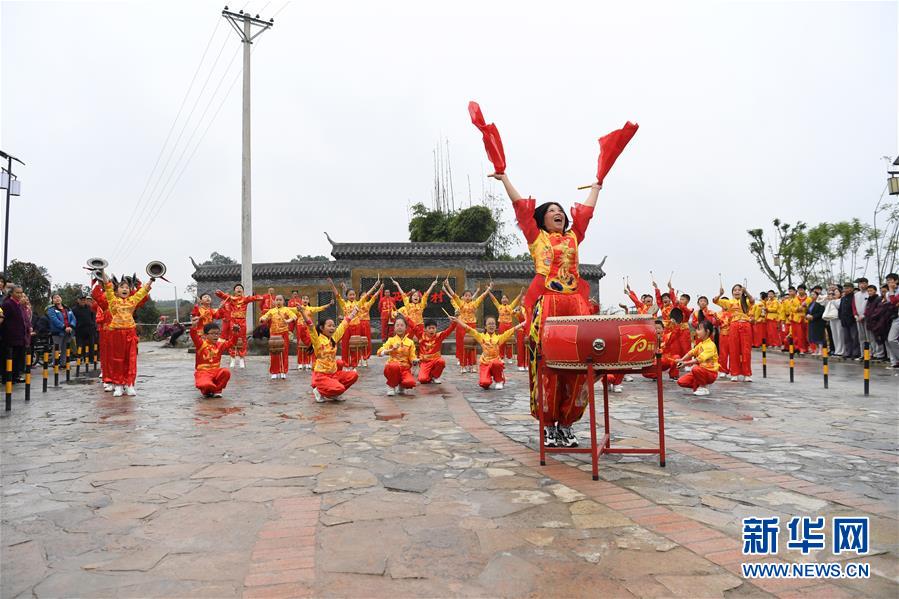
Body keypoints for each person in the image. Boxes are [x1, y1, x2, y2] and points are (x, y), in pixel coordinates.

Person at [491, 170, 600, 450]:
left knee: (579, 366)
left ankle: (567, 423)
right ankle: (549, 424)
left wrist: (596, 187)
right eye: (551, 211)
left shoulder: (574, 237)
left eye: (560, 210)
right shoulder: (537, 238)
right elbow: (520, 208)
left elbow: (586, 214)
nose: (558, 213)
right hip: (549, 306)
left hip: (575, 307)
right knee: (547, 365)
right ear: (543, 219)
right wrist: (504, 179)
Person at [103, 274, 154, 396]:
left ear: (130, 290)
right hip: (117, 333)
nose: (125, 289)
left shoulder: (132, 300)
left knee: (131, 359)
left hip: (130, 332)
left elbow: (142, 292)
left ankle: (130, 384)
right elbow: (108, 287)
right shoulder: (113, 300)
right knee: (117, 359)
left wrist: (151, 280)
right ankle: (118, 385)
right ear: (117, 290)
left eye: (127, 287)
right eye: (122, 287)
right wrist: (102, 270)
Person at [452, 315, 524, 391]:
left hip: (495, 363)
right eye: (489, 324)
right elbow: (469, 329)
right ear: (485, 327)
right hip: (485, 363)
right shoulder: (481, 337)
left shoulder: (499, 338)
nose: (491, 326)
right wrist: (458, 321)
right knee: (484, 383)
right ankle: (488, 378)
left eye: (493, 324)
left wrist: (523, 323)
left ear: (495, 326)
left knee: (497, 363)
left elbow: (511, 331)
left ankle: (499, 380)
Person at [303, 308, 358, 402]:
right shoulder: (318, 341)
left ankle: (334, 394)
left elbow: (343, 325)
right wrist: (302, 312)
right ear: (322, 328)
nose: (332, 328)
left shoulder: (333, 338)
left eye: (333, 326)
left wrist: (353, 313)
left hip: (333, 374)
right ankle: (319, 390)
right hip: (321, 375)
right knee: (340, 388)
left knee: (353, 375)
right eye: (329, 326)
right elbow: (311, 327)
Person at [444, 280, 492, 372]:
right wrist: (448, 286)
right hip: (462, 325)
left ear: (471, 297)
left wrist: (489, 289)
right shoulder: (461, 303)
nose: (468, 297)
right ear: (463, 297)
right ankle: (463, 365)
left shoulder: (474, 304)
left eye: (469, 295)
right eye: (466, 295)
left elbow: (482, 296)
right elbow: (454, 295)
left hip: (472, 325)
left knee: (472, 345)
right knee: (463, 345)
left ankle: (472, 364)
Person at [215, 284, 263, 368]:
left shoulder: (245, 299)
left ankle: (241, 358)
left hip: (242, 322)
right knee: (232, 339)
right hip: (233, 321)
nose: (239, 289)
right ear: (234, 291)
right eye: (237, 288)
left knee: (243, 339)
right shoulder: (231, 299)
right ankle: (232, 358)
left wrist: (262, 297)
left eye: (240, 288)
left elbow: (253, 298)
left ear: (243, 291)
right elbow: (223, 295)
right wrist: (219, 292)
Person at [189, 319, 234, 398]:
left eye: (217, 333)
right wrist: (193, 326)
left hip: (216, 371)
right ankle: (206, 391)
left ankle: (217, 391)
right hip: (203, 373)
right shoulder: (201, 344)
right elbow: (194, 336)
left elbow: (231, 343)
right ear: (205, 335)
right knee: (207, 384)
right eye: (212, 333)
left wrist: (235, 333)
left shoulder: (220, 345)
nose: (215, 336)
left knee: (226, 372)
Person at [676, 320, 719, 396]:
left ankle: (703, 387)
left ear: (707, 331)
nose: (697, 331)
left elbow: (699, 359)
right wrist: (681, 360)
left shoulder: (710, 345)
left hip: (710, 373)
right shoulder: (701, 344)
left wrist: (685, 363)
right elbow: (691, 352)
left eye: (699, 329)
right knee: (681, 381)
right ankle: (699, 385)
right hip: (701, 371)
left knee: (695, 368)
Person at [377, 315, 417, 396]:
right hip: (392, 368)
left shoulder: (410, 342)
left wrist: (415, 361)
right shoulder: (391, 340)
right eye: (397, 325)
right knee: (394, 366)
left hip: (405, 369)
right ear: (394, 328)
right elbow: (379, 352)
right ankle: (391, 386)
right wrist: (391, 350)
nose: (399, 327)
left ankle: (401, 385)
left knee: (411, 383)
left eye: (402, 325)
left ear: (406, 328)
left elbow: (412, 356)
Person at [259, 295, 296, 379]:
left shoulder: (286, 310)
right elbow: (265, 317)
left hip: (284, 333)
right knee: (274, 352)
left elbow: (294, 316)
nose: (278, 301)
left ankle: (283, 371)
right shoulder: (272, 311)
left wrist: (288, 321)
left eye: (280, 300)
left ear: (283, 301)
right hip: (274, 334)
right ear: (274, 301)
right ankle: (274, 371)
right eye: (277, 300)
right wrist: (262, 319)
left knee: (284, 352)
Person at [292, 296, 330, 370]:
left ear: (308, 301)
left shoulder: (310, 309)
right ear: (301, 300)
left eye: (307, 299)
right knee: (300, 344)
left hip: (308, 327)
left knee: (310, 344)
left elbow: (320, 308)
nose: (305, 300)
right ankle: (300, 362)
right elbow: (287, 309)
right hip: (300, 327)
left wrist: (328, 305)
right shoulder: (297, 308)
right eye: (303, 299)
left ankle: (308, 362)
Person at [417, 318, 456, 384]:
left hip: (436, 360)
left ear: (436, 329)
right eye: (429, 328)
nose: (431, 330)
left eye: (433, 328)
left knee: (441, 362)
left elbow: (449, 330)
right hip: (425, 362)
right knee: (422, 380)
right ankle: (429, 376)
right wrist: (406, 318)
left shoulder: (439, 336)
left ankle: (435, 377)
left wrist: (454, 322)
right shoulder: (421, 335)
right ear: (425, 329)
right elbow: (414, 327)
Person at [1, 286, 28, 382]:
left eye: (21, 293)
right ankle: (7, 377)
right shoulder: (7, 304)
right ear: (11, 293)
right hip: (10, 336)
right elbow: (4, 321)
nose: (20, 295)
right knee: (9, 357)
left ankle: (16, 376)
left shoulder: (18, 304)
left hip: (19, 336)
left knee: (17, 358)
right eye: (17, 292)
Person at [489, 288, 523, 363]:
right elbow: (493, 299)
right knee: (501, 341)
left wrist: (520, 294)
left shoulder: (510, 307)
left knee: (509, 341)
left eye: (505, 298)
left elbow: (516, 300)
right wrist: (489, 292)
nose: (504, 299)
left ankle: (509, 357)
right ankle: (501, 356)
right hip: (502, 324)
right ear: (501, 300)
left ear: (508, 300)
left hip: (509, 325)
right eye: (503, 298)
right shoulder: (499, 306)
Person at [47, 294, 76, 368]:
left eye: (58, 297)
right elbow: (54, 320)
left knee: (65, 348)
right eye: (55, 298)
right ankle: (55, 363)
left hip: (68, 331)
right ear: (52, 300)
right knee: (57, 348)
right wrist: (64, 327)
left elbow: (73, 318)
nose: (57, 299)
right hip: (58, 332)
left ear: (61, 298)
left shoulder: (67, 308)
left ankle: (63, 363)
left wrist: (71, 326)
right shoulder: (51, 310)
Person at [72, 295, 97, 360]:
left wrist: (93, 324)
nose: (83, 301)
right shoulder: (74, 309)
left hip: (90, 329)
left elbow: (93, 317)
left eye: (84, 300)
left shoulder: (90, 308)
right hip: (79, 330)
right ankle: (80, 358)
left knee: (91, 344)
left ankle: (91, 359)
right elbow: (72, 319)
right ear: (78, 300)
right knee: (80, 345)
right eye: (81, 300)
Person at [884, 273, 899, 369]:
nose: (889, 282)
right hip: (895, 317)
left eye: (891, 280)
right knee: (891, 339)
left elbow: (893, 301)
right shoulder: (888, 293)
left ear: (896, 280)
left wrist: (891, 290)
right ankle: (896, 360)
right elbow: (892, 304)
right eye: (887, 281)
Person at [805, 290, 826, 356]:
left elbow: (821, 312)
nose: (812, 296)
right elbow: (807, 311)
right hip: (811, 322)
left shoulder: (820, 302)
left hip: (818, 322)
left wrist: (813, 316)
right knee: (813, 336)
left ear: (817, 295)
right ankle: (816, 349)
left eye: (813, 294)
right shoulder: (811, 303)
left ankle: (820, 350)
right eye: (811, 294)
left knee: (819, 336)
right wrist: (807, 315)